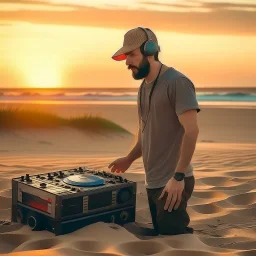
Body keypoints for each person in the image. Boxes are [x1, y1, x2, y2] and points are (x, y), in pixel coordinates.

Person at [108, 27, 201, 236]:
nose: (127, 62)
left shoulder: (178, 83)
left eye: (132, 54)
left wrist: (178, 177)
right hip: (154, 182)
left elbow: (192, 131)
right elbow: (145, 133)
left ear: (150, 50)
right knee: (163, 234)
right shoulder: (143, 88)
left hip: (173, 182)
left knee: (175, 241)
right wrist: (129, 158)